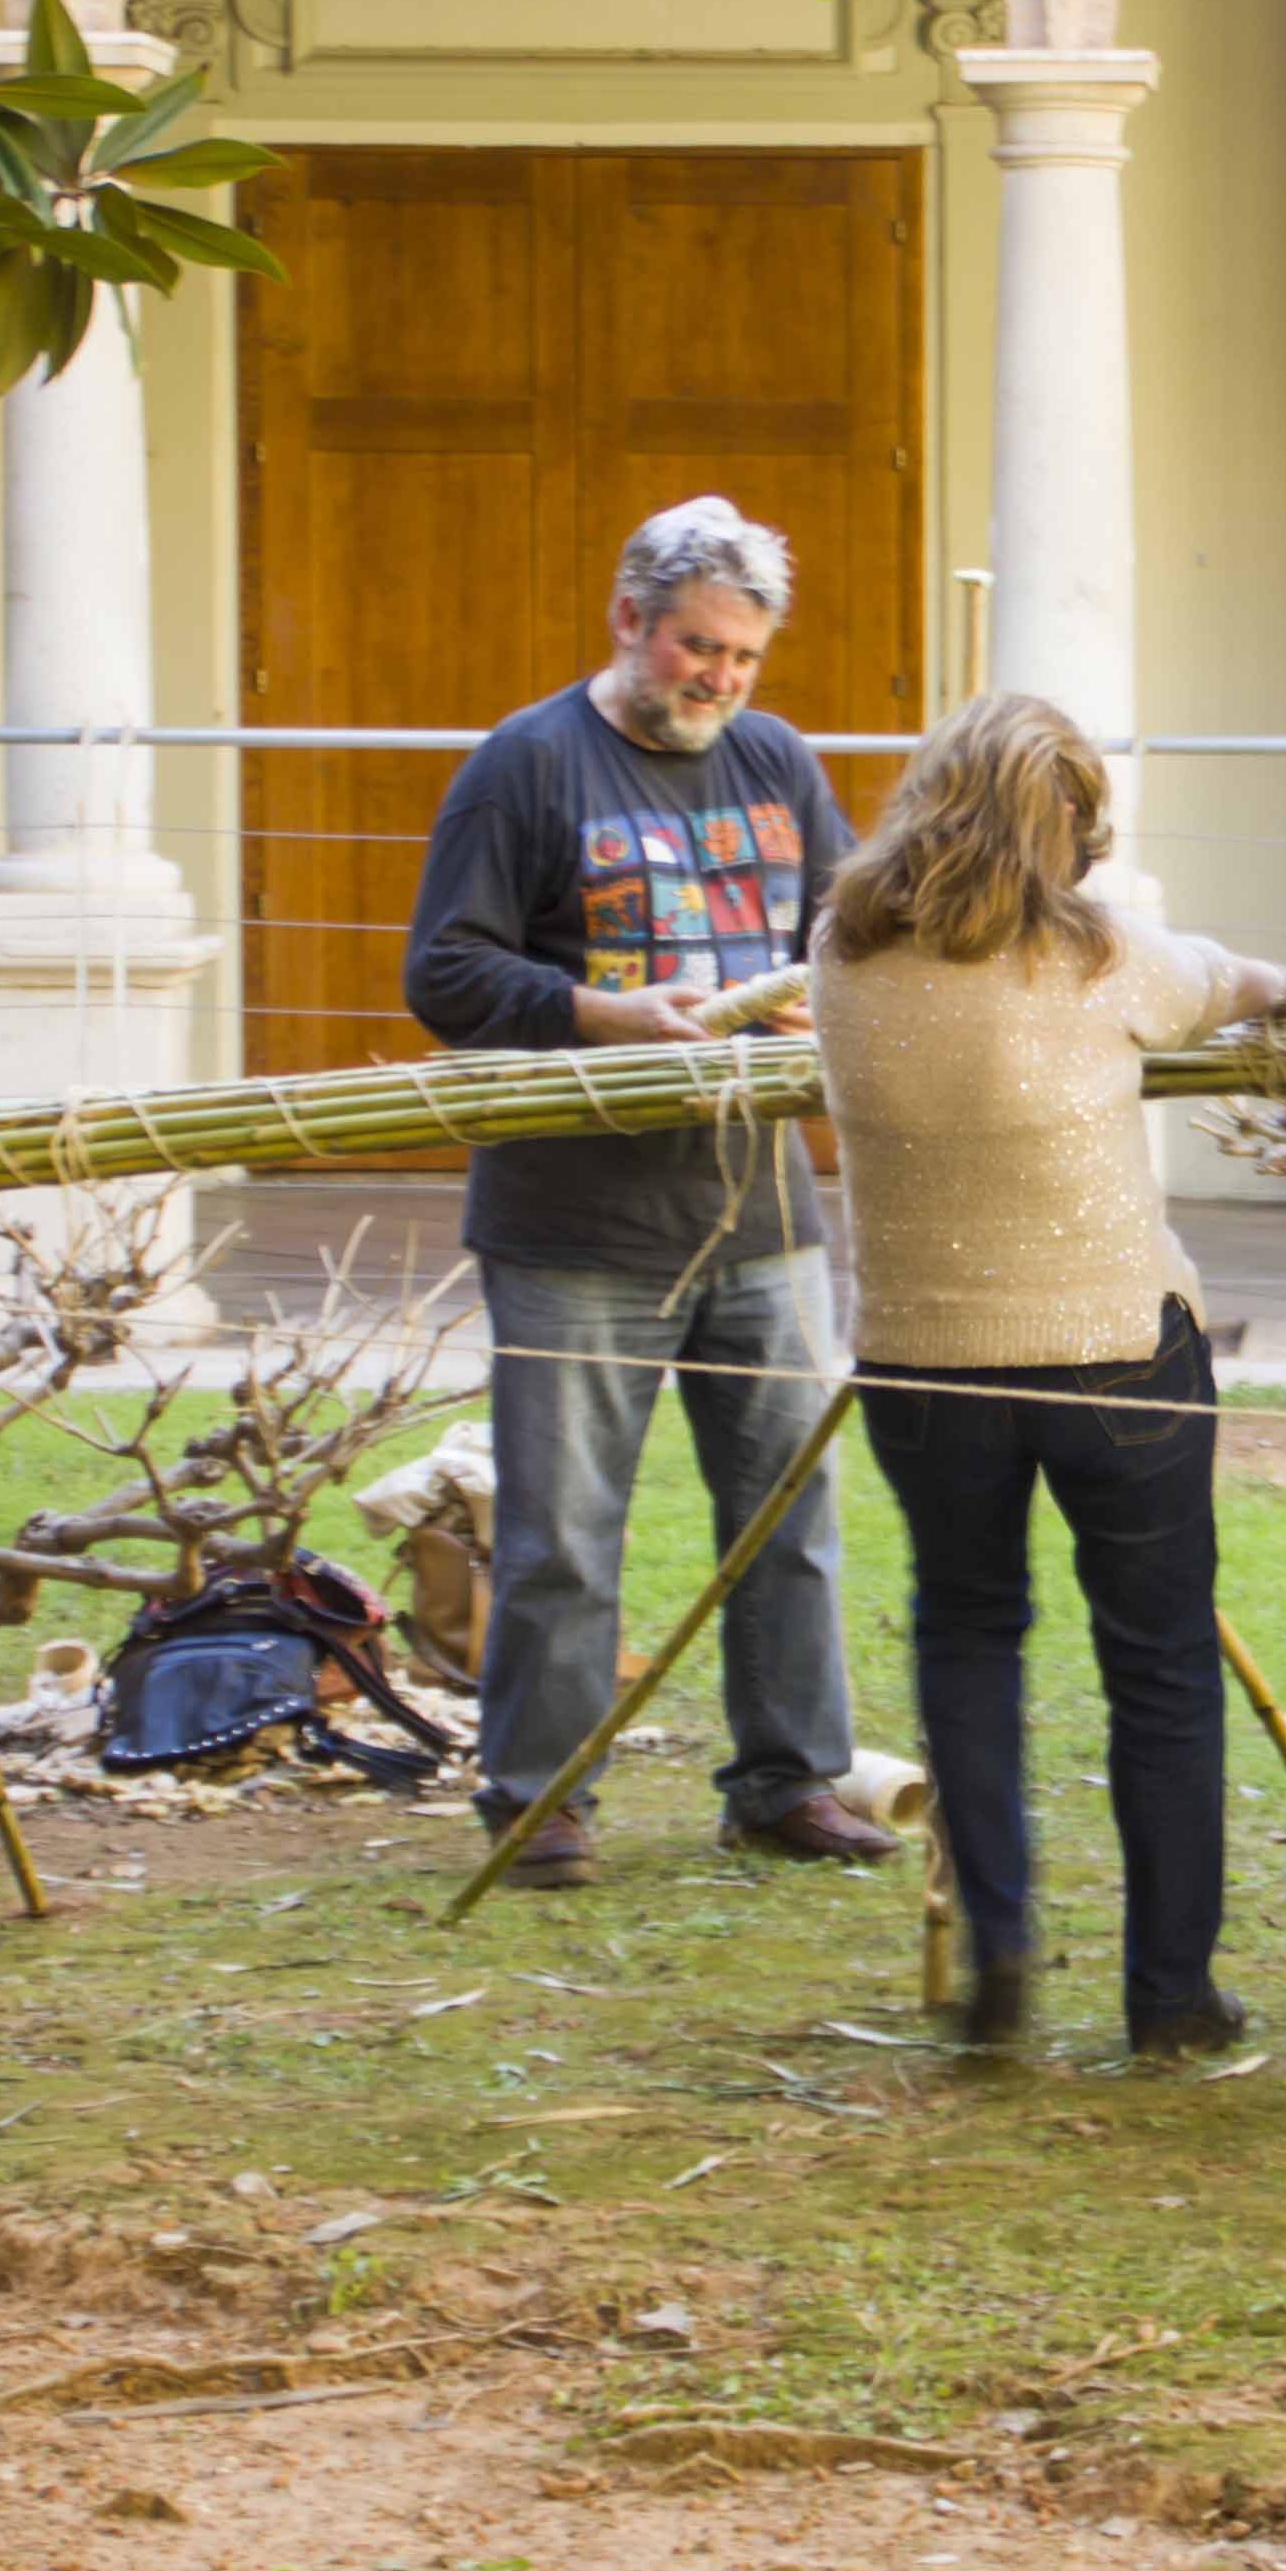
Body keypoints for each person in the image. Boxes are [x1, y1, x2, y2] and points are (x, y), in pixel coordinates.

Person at [401, 496, 896, 1882]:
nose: (719, 682)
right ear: (628, 620)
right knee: (562, 1537)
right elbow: (444, 974)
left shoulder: (777, 760)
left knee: (791, 1517)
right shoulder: (526, 765)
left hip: (762, 1215)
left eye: (743, 659)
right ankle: (541, 1797)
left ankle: (786, 1781)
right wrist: (606, 1014)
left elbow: (841, 932)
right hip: (575, 1227)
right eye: (697, 648)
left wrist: (825, 999)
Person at [812, 695, 1286, 2057]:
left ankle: (1005, 1933)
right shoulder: (1099, 955)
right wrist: (1279, 982)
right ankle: (1172, 1994)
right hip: (1112, 1355)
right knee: (1159, 1667)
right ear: (1063, 825)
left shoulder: (840, 948)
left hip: (920, 1358)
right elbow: (1230, 980)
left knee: (968, 1631)